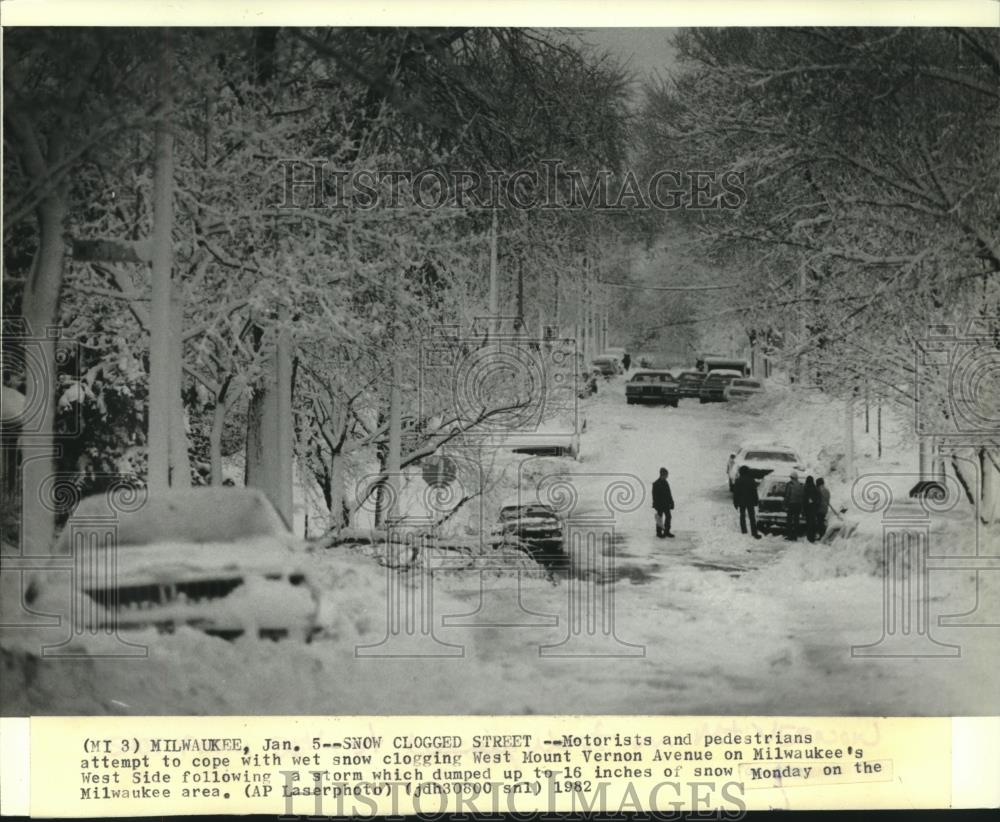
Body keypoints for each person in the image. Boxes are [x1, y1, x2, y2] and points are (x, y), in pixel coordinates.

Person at [732, 465, 761, 539]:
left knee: (742, 516)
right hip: (750, 501)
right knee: (752, 517)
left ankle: (744, 531)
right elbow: (754, 491)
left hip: (741, 501)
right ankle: (754, 533)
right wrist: (756, 501)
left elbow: (736, 493)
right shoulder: (751, 480)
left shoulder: (738, 480)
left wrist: (735, 502)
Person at [652, 467, 675, 538]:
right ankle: (659, 533)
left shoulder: (666, 482)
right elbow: (654, 496)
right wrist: (655, 505)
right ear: (663, 474)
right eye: (666, 474)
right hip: (659, 505)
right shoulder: (655, 483)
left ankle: (666, 532)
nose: (667, 476)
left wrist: (672, 502)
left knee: (668, 517)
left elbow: (669, 494)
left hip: (666, 504)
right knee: (659, 518)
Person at [783, 471, 805, 541]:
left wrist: (784, 504)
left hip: (791, 504)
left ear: (792, 477)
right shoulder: (801, 485)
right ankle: (795, 536)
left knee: (789, 520)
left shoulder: (790, 485)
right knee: (796, 520)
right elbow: (802, 496)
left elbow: (787, 496)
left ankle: (789, 535)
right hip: (798, 505)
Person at [803, 476, 819, 542]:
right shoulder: (815, 488)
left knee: (808, 522)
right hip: (814, 508)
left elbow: (804, 498)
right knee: (812, 522)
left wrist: (803, 508)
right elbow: (818, 498)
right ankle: (812, 536)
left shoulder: (806, 488)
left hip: (807, 508)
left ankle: (809, 537)